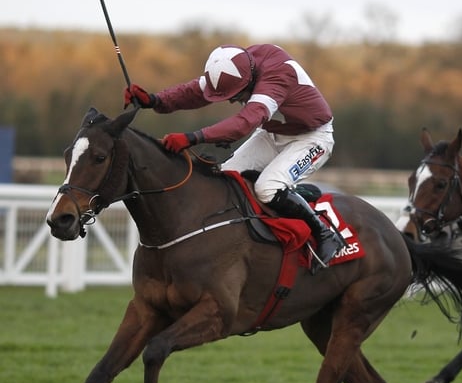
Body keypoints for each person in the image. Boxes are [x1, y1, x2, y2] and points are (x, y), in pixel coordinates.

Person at [123, 44, 345, 269]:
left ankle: (324, 233)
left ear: (248, 81)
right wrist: (154, 101)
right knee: (227, 180)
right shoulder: (236, 65)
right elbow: (194, 92)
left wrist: (192, 137)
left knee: (267, 188)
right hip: (272, 133)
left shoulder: (277, 75)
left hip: (312, 138)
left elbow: (245, 122)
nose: (231, 101)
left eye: (235, 95)